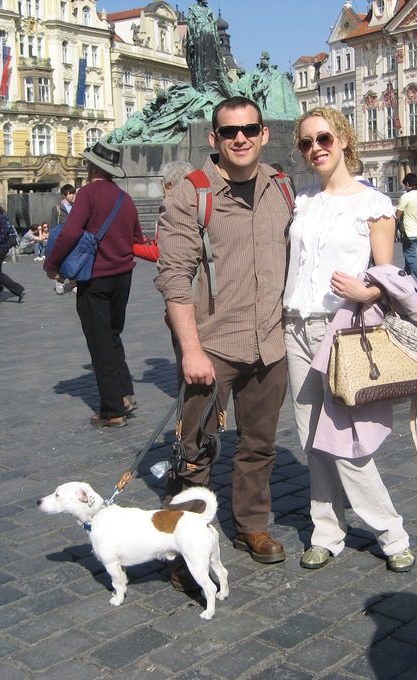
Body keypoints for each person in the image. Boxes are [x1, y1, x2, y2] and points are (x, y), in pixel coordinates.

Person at [155, 96, 293, 569]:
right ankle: (184, 546)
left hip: (269, 343)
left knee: (259, 445)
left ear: (263, 134)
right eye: (230, 131)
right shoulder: (191, 193)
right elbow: (173, 277)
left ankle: (251, 525)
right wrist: (191, 351)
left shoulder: (281, 188)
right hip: (211, 346)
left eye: (250, 130)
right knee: (195, 450)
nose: (241, 138)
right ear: (213, 138)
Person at [283, 106, 415, 573]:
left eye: (323, 139)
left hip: (341, 330)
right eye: (305, 143)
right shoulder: (302, 200)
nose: (314, 149)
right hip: (294, 327)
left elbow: (389, 276)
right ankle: (327, 531)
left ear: (343, 140)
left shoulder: (374, 205)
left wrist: (368, 290)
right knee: (311, 439)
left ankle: (390, 531)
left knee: (345, 441)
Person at [46, 142, 143, 427]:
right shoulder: (125, 198)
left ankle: (112, 411)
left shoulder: (87, 194)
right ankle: (124, 393)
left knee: (100, 344)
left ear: (91, 167)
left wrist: (52, 264)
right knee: (112, 335)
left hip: (95, 279)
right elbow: (136, 236)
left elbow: (69, 233)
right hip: (124, 276)